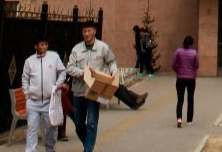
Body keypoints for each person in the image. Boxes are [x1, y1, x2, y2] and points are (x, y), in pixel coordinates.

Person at [67, 21, 149, 152]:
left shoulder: (103, 47)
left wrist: (114, 72)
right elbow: (70, 68)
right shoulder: (76, 49)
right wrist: (83, 73)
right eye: (84, 31)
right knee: (79, 124)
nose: (86, 34)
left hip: (95, 90)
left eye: (89, 31)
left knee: (92, 123)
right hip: (79, 91)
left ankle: (88, 150)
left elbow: (112, 62)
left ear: (94, 32)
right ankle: (88, 144)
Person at [21, 35, 66, 152]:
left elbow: (62, 72)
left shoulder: (54, 57)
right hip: (33, 101)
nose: (44, 47)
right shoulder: (29, 61)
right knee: (32, 129)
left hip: (49, 101)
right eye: (42, 44)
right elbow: (25, 78)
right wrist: (27, 94)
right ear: (36, 46)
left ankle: (50, 148)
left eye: (46, 44)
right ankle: (30, 150)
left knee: (52, 128)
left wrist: (57, 85)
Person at [171, 35, 199, 127]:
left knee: (180, 99)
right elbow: (197, 65)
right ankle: (189, 120)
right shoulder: (194, 53)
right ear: (192, 44)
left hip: (180, 79)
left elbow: (173, 64)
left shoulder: (178, 51)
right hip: (191, 79)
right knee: (190, 99)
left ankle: (179, 118)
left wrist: (178, 71)